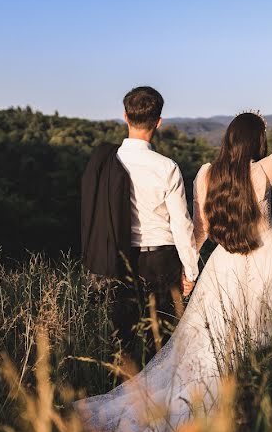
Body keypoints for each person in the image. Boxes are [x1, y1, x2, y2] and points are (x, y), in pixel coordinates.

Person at [74, 83, 272, 432]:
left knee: (205, 349)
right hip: (267, 263)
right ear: (258, 143)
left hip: (223, 268)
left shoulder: (203, 175)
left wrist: (189, 270)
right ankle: (253, 408)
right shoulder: (263, 172)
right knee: (261, 341)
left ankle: (203, 408)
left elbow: (198, 230)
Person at [80, 86, 199, 361]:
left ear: (125, 116)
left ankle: (123, 394)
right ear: (159, 122)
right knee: (161, 345)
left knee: (123, 343)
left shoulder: (105, 163)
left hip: (120, 259)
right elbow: (181, 224)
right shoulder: (167, 167)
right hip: (162, 261)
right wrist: (190, 272)